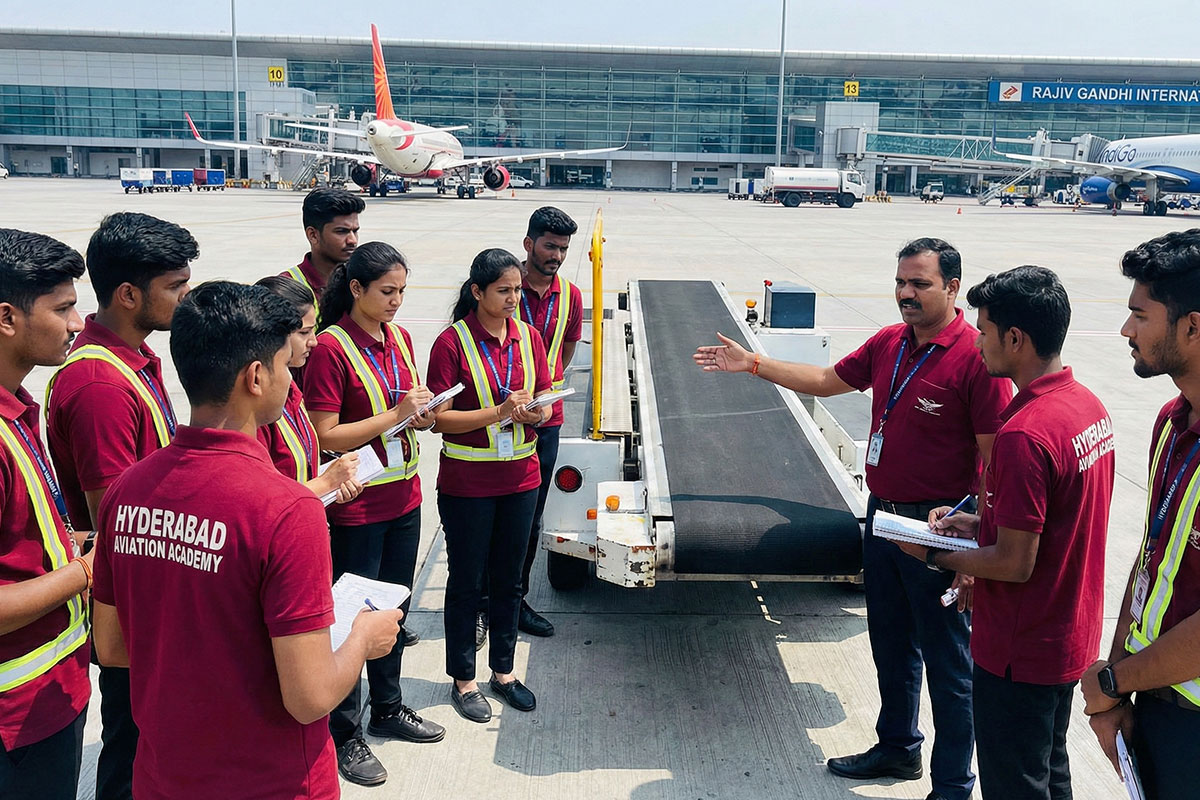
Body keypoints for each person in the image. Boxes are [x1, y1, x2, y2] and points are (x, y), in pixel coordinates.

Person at [694, 238, 1012, 800]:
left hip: (938, 529)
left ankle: (954, 785)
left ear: (953, 288)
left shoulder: (976, 358)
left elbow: (996, 463)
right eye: (900, 282)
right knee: (889, 643)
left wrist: (974, 553)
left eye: (921, 284)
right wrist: (755, 364)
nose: (906, 294)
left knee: (949, 666)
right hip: (882, 519)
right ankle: (897, 748)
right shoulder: (890, 342)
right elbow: (826, 381)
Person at [90, 281, 404, 800]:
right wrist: (362, 639)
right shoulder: (286, 510)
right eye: (285, 363)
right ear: (256, 376)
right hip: (270, 780)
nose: (290, 376)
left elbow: (113, 646)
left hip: (165, 775)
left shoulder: (127, 490)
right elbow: (309, 697)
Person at [893, 266, 1114, 800]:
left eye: (985, 331)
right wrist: (979, 522)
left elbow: (1015, 562)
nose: (978, 342)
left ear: (1015, 338)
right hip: (1069, 636)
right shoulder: (1086, 408)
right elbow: (1056, 520)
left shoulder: (1025, 433)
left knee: (1014, 783)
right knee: (1048, 771)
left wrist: (932, 553)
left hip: (1021, 647)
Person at [44, 211, 196, 800]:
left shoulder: (134, 360)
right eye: (175, 287)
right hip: (134, 601)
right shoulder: (101, 386)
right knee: (133, 750)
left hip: (147, 592)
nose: (186, 297)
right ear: (130, 295)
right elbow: (117, 517)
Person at [304, 242, 444, 787]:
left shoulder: (401, 339)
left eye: (403, 292)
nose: (397, 302)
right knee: (352, 621)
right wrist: (394, 415)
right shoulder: (330, 348)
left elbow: (408, 415)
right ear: (356, 289)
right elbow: (325, 433)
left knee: (393, 615)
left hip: (404, 497)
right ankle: (346, 731)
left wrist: (424, 415)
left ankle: (388, 706)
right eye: (387, 291)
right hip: (357, 508)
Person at [1082, 229, 1200, 799]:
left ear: (1192, 327)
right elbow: (1150, 560)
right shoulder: (1173, 424)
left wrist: (1111, 679)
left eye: (1139, 315)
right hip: (1154, 699)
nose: (1126, 331)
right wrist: (1117, 686)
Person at [427, 248, 553, 724]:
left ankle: (503, 671)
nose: (514, 299)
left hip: (521, 477)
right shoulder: (452, 343)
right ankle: (464, 679)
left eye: (518, 290)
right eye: (504, 291)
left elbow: (543, 401)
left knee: (509, 580)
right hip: (468, 483)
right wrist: (499, 413)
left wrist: (532, 412)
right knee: (466, 582)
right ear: (477, 292)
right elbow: (439, 420)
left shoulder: (529, 337)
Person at [0, 229, 91, 800]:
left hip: (53, 692)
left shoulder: (18, 410)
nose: (77, 322)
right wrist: (85, 572)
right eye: (62, 308)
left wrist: (67, 544)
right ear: (7, 317)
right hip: (17, 718)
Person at [477, 206, 583, 646]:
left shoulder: (571, 295)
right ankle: (483, 604)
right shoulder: (503, 285)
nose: (556, 255)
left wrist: (545, 390)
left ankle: (514, 601)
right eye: (549, 246)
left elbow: (571, 343)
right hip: (496, 421)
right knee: (488, 520)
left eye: (563, 248)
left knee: (529, 519)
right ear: (529, 244)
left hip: (545, 421)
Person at [253, 275, 361, 503]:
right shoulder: (256, 406)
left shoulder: (291, 387)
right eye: (304, 333)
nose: (314, 341)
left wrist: (331, 485)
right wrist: (326, 482)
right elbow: (263, 500)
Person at [284, 187, 364, 303]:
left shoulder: (363, 281)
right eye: (341, 231)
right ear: (313, 235)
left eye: (355, 231)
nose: (352, 240)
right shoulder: (286, 291)